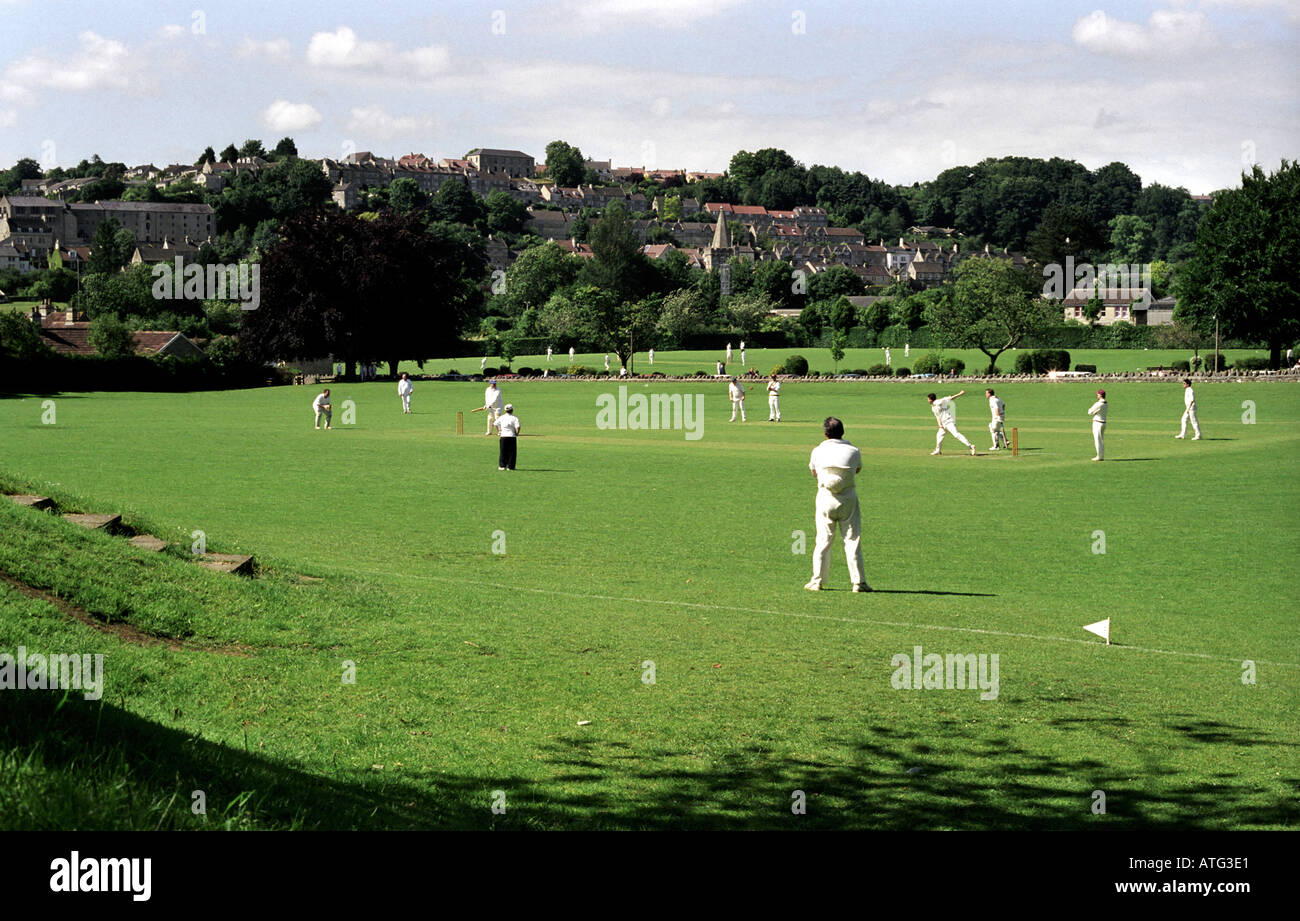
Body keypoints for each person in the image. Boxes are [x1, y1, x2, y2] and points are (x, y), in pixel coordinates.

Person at [805, 416, 869, 592]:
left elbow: (814, 472)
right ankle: (858, 582)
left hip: (826, 498)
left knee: (823, 540)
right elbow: (857, 470)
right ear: (842, 432)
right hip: (848, 497)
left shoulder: (817, 451)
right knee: (852, 540)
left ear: (825, 433)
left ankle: (817, 580)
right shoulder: (853, 451)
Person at [927, 390, 975, 455]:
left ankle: (971, 446)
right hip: (943, 424)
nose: (927, 400)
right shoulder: (933, 407)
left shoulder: (938, 402)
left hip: (949, 421)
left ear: (931, 399)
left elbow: (950, 398)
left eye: (928, 399)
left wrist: (960, 394)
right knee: (939, 436)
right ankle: (938, 450)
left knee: (956, 434)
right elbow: (938, 416)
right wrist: (939, 424)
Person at [494, 403, 521, 470]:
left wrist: (499, 431)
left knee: (503, 451)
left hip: (503, 436)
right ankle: (511, 466)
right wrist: (517, 433)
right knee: (512, 452)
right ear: (512, 410)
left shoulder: (502, 417)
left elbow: (495, 424)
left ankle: (502, 466)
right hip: (512, 436)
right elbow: (518, 426)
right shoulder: (514, 418)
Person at [1088, 389, 1108, 461]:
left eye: (1097, 394)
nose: (1097, 395)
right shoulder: (1106, 403)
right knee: (1101, 440)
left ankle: (1099, 456)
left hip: (1097, 423)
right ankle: (1101, 456)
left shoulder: (1098, 404)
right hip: (1103, 423)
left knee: (1098, 440)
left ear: (1100, 395)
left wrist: (1094, 411)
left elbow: (1089, 412)